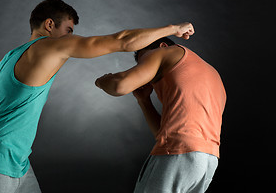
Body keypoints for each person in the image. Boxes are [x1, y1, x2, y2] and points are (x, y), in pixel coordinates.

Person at [0, 0, 195, 192]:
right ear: (49, 25)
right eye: (68, 30)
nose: (71, 37)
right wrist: (173, 29)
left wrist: (6, 110)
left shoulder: (4, 62)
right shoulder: (49, 46)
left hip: (16, 162)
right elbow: (121, 41)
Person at [95, 37, 226, 193]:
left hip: (178, 154)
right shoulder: (211, 73)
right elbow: (164, 135)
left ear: (162, 46)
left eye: (143, 62)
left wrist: (101, 81)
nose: (144, 72)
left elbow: (119, 85)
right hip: (207, 160)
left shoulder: (164, 52)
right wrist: (144, 100)